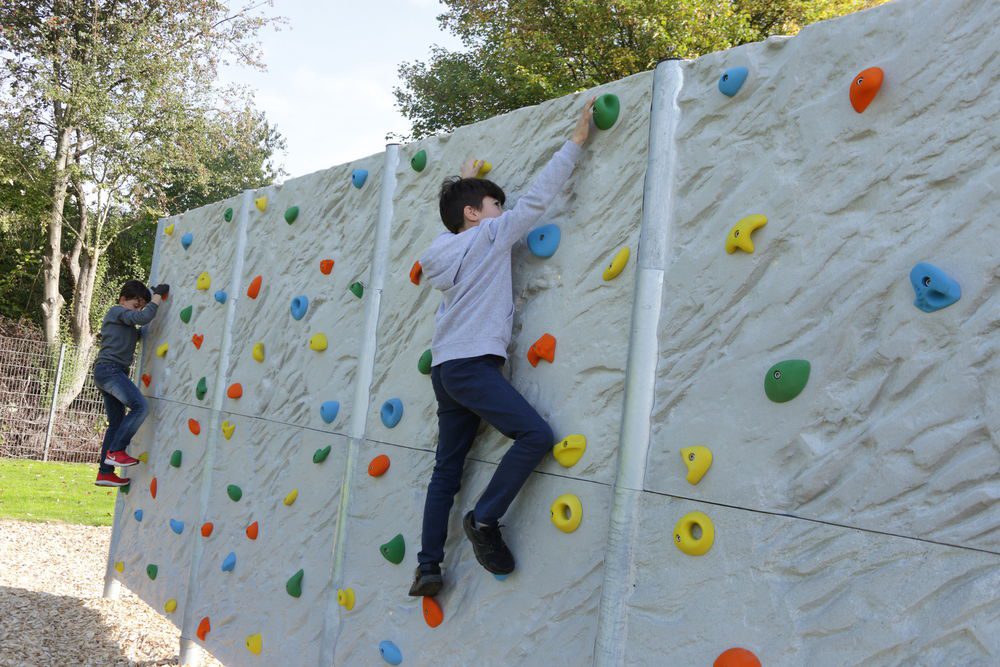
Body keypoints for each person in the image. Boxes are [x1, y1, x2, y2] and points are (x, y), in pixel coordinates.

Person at [409, 98, 595, 596]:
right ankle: (485, 520)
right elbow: (537, 201)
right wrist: (575, 143)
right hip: (472, 365)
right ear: (475, 215)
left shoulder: (443, 249)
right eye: (495, 206)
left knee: (446, 470)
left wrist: (465, 176)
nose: (503, 213)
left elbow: (463, 217)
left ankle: (428, 566)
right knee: (535, 436)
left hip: (447, 371)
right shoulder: (490, 236)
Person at [92, 280, 169, 487]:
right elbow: (143, 318)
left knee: (116, 423)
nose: (138, 311)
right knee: (140, 406)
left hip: (111, 373)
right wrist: (157, 297)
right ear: (123, 300)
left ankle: (105, 472)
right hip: (110, 371)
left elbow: (140, 330)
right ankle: (116, 451)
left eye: (140, 307)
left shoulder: (124, 321)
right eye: (136, 306)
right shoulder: (116, 311)